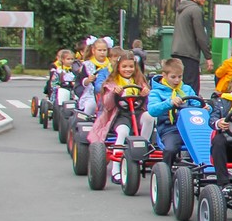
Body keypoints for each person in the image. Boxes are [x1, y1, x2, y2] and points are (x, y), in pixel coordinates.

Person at [87, 54, 149, 185]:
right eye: (124, 66)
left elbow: (149, 105)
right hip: (119, 114)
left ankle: (143, 148)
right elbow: (107, 105)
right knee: (123, 132)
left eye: (131, 66)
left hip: (137, 112)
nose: (128, 69)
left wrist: (145, 94)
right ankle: (116, 169)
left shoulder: (140, 81)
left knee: (150, 117)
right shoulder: (111, 83)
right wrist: (114, 93)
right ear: (118, 67)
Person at [147, 58, 198, 167]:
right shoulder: (157, 92)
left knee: (207, 144)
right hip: (169, 128)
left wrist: (205, 107)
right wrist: (169, 103)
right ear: (164, 75)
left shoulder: (186, 89)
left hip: (190, 127)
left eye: (180, 77)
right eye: (173, 77)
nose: (177, 80)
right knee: (170, 149)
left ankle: (205, 171)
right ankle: (166, 174)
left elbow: (197, 103)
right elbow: (152, 110)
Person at [173, 0, 212, 94]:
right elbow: (200, 35)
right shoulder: (195, 10)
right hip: (190, 54)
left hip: (177, 52)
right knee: (191, 88)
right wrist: (208, 57)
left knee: (179, 85)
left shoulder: (182, 8)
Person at [78, 38, 112, 115]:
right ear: (93, 51)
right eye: (99, 50)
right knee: (91, 105)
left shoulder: (110, 64)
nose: (102, 53)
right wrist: (88, 80)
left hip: (108, 93)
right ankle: (86, 120)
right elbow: (81, 81)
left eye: (104, 50)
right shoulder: (87, 64)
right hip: (91, 94)